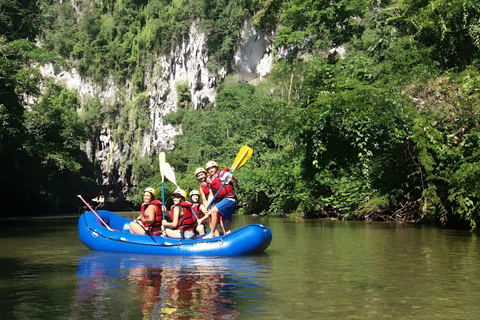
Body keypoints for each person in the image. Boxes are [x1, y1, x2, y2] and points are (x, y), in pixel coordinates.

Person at [203, 161, 237, 239]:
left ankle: (212, 233)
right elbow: (211, 194)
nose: (210, 170)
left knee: (214, 211)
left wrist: (232, 178)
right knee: (225, 224)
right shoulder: (209, 179)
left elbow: (235, 181)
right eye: (208, 169)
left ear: (216, 168)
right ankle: (228, 239)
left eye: (212, 168)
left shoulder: (223, 173)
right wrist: (208, 206)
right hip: (221, 201)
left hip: (229, 199)